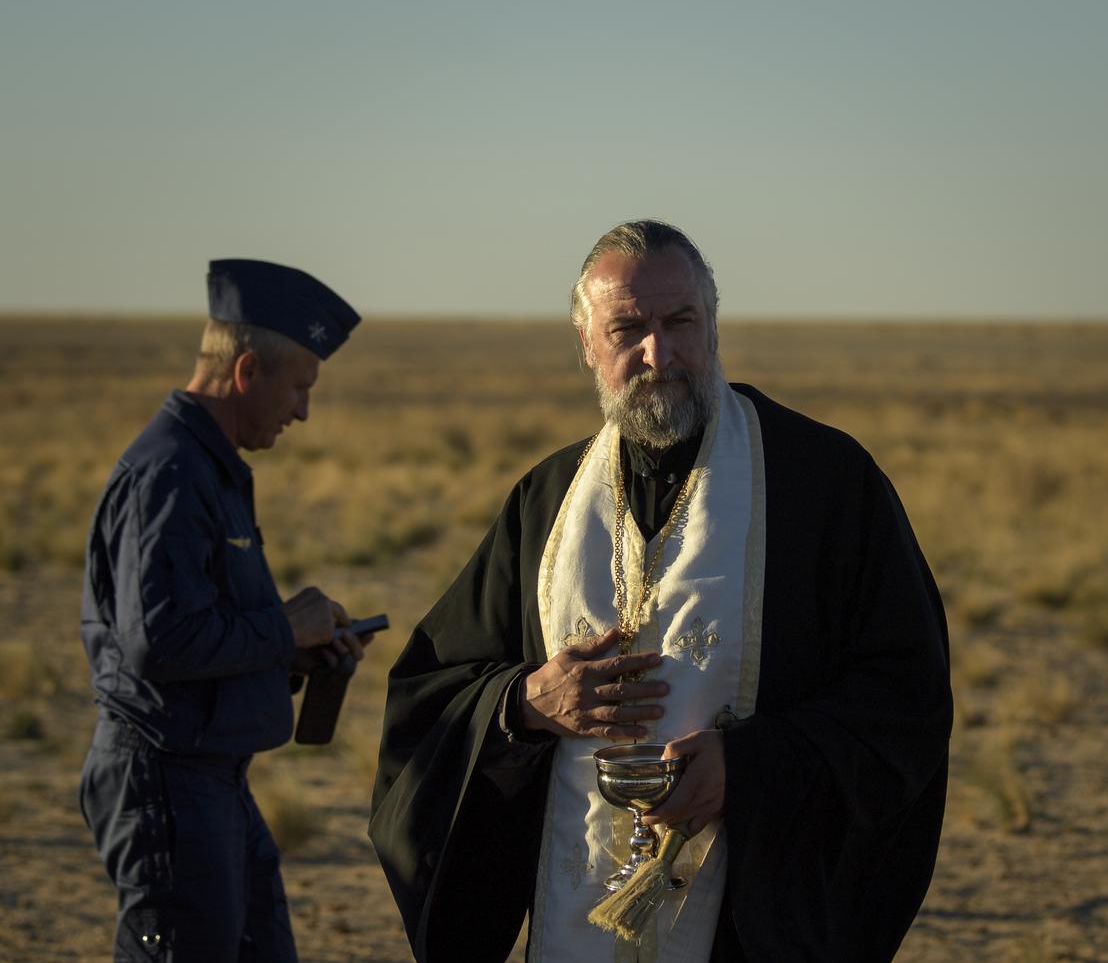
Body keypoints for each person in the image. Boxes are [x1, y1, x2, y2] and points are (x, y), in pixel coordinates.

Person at [371, 221, 952, 962]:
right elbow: (432, 690)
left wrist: (749, 768)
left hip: (749, 921)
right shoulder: (545, 502)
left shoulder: (827, 484)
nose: (659, 353)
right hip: (575, 907)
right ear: (586, 344)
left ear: (713, 324)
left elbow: (906, 696)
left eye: (681, 322)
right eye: (627, 329)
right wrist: (525, 702)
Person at [80, 258, 373, 962]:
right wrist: (282, 626)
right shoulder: (170, 475)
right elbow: (158, 641)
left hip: (212, 781)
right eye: (299, 386)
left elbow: (194, 630)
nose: (302, 409)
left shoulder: (206, 468)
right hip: (168, 782)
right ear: (246, 372)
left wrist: (294, 652)